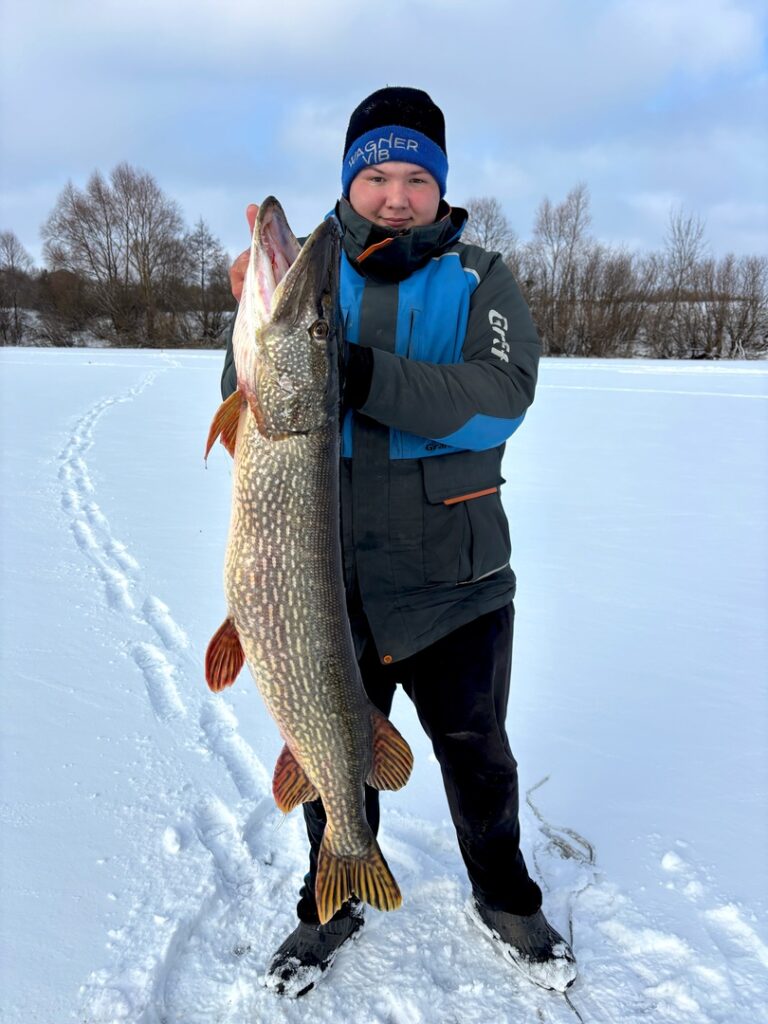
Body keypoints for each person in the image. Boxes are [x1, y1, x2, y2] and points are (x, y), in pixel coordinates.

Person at [222, 86, 577, 998]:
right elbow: (254, 392)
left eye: (416, 177)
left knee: (478, 753)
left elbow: (500, 395)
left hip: (454, 584)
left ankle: (503, 894)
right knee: (330, 742)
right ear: (351, 180)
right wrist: (252, 340)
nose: (395, 195)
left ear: (441, 185)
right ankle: (331, 895)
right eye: (376, 174)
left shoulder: (478, 278)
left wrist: (363, 372)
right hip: (320, 585)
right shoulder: (310, 269)